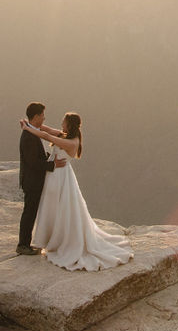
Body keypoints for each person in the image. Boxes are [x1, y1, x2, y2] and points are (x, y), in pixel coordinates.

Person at [19, 111, 133, 272]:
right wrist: (30, 123)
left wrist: (26, 128)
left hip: (60, 177)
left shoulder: (71, 143)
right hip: (55, 176)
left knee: (60, 207)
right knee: (54, 207)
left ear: (69, 124)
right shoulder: (66, 136)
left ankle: (59, 240)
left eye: (64, 121)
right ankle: (52, 238)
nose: (61, 123)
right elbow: (48, 130)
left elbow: (47, 137)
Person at [17, 101, 65, 255]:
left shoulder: (31, 130)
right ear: (36, 116)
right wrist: (52, 165)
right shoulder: (28, 136)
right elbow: (32, 162)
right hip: (32, 181)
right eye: (43, 115)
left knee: (31, 211)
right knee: (29, 212)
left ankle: (26, 243)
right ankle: (23, 245)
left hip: (33, 180)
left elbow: (44, 133)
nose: (44, 118)